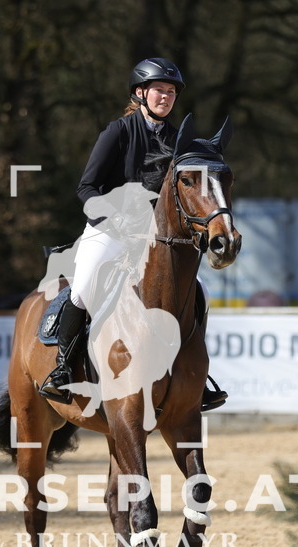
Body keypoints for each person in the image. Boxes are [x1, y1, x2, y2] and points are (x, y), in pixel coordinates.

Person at [38, 57, 227, 412]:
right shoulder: (118, 131)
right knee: (83, 287)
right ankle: (62, 369)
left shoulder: (177, 139)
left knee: (196, 293)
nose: (166, 97)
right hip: (109, 229)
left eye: (171, 92)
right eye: (159, 90)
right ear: (140, 93)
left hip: (156, 238)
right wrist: (116, 217)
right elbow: (87, 187)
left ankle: (194, 378)